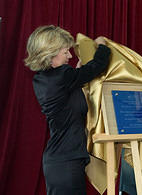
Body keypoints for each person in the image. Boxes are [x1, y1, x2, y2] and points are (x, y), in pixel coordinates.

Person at [24, 25, 111, 195]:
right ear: (50, 54)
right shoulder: (63, 75)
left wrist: (76, 75)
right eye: (65, 52)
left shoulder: (42, 79)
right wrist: (103, 46)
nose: (70, 56)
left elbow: (67, 94)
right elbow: (96, 66)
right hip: (66, 162)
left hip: (60, 161)